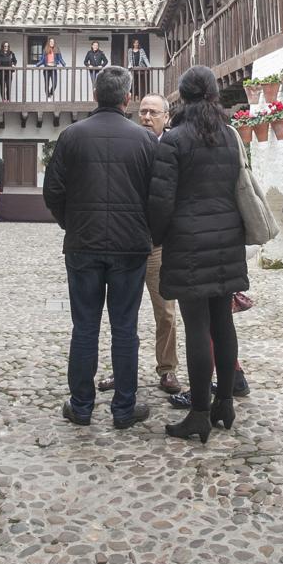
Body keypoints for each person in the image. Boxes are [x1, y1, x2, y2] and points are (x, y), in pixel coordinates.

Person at [43, 66, 156, 429]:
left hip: (83, 244)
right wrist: (146, 230)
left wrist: (71, 223)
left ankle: (81, 406)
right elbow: (159, 195)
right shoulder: (144, 140)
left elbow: (53, 192)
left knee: (85, 327)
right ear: (127, 99)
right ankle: (123, 409)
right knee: (125, 328)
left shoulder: (71, 136)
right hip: (130, 247)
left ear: (95, 95)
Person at [149, 65, 246, 444]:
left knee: (197, 328)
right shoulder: (228, 136)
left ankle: (200, 413)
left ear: (182, 97)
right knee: (223, 323)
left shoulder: (174, 140)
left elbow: (161, 200)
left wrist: (155, 237)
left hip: (189, 243)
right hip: (226, 240)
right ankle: (225, 403)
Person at [97, 94, 182, 396]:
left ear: (166, 117)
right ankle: (122, 371)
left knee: (166, 312)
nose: (146, 117)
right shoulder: (128, 142)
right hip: (128, 243)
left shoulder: (172, 148)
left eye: (153, 112)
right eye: (142, 111)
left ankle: (168, 369)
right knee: (123, 314)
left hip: (158, 246)